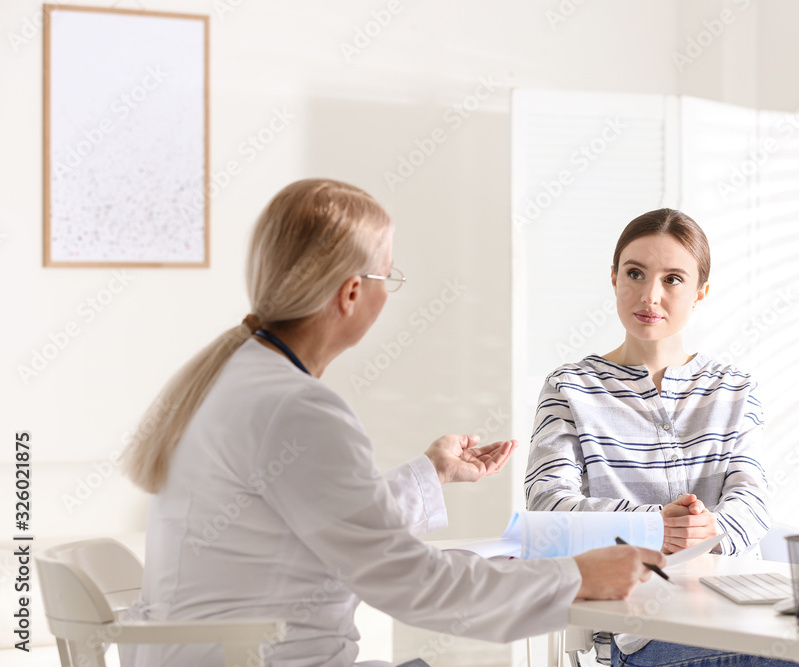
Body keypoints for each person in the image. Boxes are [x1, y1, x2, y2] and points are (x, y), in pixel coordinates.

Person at [121, 179, 666, 667]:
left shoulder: (236, 378)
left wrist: (432, 472)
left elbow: (317, 520)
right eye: (390, 274)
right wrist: (578, 577)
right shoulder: (299, 410)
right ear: (353, 292)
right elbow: (414, 585)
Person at [523, 208, 776, 667]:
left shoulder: (735, 388)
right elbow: (547, 505)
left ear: (700, 292)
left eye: (673, 279)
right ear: (614, 278)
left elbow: (754, 502)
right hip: (640, 631)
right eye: (635, 273)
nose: (650, 295)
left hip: (741, 611)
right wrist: (655, 525)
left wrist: (711, 527)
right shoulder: (570, 387)